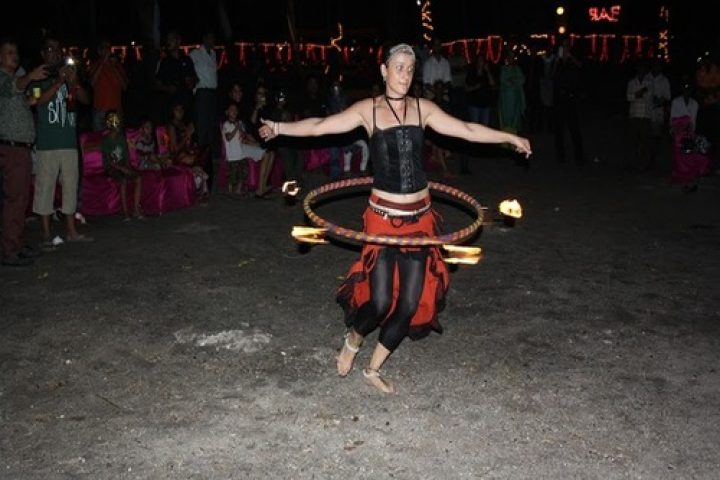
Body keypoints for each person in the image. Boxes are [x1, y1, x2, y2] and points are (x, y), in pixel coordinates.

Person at [258, 43, 531, 394]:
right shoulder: (368, 111)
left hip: (419, 220)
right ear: (384, 71)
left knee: (409, 304)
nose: (404, 74)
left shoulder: (424, 109)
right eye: (398, 67)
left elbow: (468, 130)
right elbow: (320, 127)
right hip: (383, 220)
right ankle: (353, 340)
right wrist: (278, 128)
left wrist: (510, 137)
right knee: (381, 301)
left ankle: (373, 369)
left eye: (409, 68)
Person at [32, 37, 93, 249]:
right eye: (49, 49)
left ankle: (71, 232)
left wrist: (73, 82)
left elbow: (86, 100)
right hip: (48, 143)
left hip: (68, 142)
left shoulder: (69, 76)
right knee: (45, 189)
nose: (54, 53)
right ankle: (47, 235)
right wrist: (58, 82)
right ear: (43, 53)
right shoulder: (38, 76)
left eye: (57, 49)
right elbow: (38, 101)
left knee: (70, 187)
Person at [0, 38, 47, 266]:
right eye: (9, 52)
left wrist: (34, 94)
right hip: (12, 148)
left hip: (20, 148)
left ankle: (15, 244)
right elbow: (15, 86)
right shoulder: (3, 78)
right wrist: (30, 77)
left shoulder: (13, 80)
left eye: (16, 52)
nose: (14, 55)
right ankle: (10, 250)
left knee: (19, 200)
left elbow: (24, 100)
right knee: (14, 200)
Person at [101, 112, 144, 220]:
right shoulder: (106, 141)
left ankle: (135, 209)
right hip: (111, 168)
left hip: (122, 166)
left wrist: (129, 169)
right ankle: (125, 212)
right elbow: (109, 162)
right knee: (123, 181)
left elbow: (126, 157)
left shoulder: (121, 138)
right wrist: (123, 169)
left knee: (138, 178)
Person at [88, 39, 128, 131]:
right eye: (104, 47)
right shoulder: (95, 66)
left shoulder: (117, 65)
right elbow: (92, 83)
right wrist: (102, 62)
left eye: (108, 47)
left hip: (115, 111)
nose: (107, 50)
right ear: (99, 51)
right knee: (98, 141)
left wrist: (114, 67)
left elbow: (125, 87)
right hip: (99, 111)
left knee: (115, 140)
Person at [221, 102, 249, 195]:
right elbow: (228, 138)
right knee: (233, 175)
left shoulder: (240, 123)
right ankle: (230, 191)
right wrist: (236, 127)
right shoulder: (226, 124)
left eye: (235, 110)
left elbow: (244, 137)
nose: (234, 111)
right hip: (232, 155)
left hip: (242, 153)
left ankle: (238, 190)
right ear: (227, 112)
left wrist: (241, 129)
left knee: (243, 173)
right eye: (231, 110)